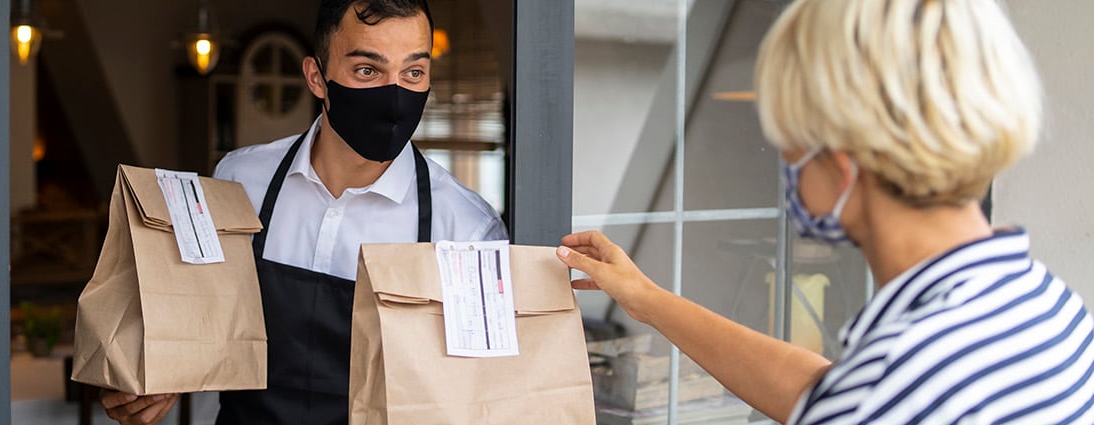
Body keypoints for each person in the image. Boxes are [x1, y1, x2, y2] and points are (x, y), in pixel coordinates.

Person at [557, 0, 1094, 423]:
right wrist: (646, 299)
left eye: (789, 150)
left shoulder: (890, 386)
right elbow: (824, 390)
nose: (785, 169)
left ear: (841, 169)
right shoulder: (1048, 306)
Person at [101, 1, 506, 424]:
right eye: (368, 70)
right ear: (316, 77)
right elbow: (196, 319)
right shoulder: (238, 180)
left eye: (413, 73)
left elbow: (480, 395)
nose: (395, 94)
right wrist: (154, 375)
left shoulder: (467, 227)